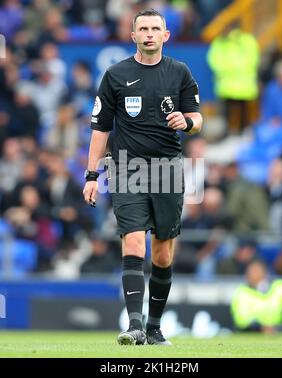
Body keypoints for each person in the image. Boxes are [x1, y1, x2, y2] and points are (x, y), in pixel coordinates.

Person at [83, 8, 202, 345]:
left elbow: (197, 117)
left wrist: (188, 122)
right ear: (133, 35)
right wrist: (92, 175)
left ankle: (153, 327)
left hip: (167, 169)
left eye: (155, 28)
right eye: (143, 29)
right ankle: (134, 326)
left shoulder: (179, 72)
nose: (149, 34)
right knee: (133, 240)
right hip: (126, 168)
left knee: (162, 253)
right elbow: (100, 129)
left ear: (166, 35)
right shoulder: (115, 75)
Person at [231, 260, 282, 333]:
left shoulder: (279, 286)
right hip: (253, 332)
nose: (250, 275)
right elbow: (241, 320)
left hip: (280, 330)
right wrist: (261, 327)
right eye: (249, 272)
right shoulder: (242, 292)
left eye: (255, 271)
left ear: (265, 274)